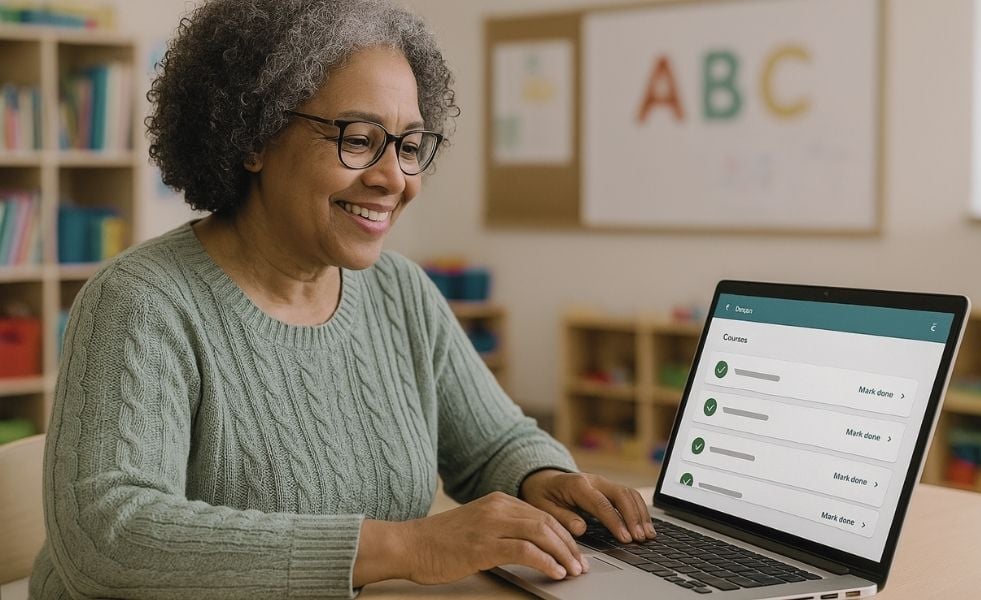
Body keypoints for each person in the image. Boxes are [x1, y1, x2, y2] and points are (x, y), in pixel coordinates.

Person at [30, 1, 655, 598]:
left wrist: (545, 481)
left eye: (410, 146)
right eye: (358, 138)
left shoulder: (399, 291)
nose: (393, 179)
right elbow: (107, 537)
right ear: (253, 138)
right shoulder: (140, 304)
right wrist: (409, 548)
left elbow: (492, 442)